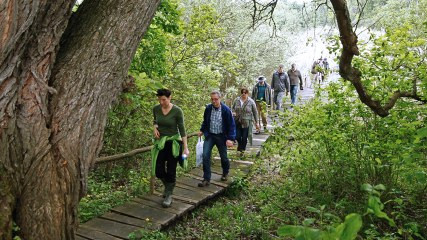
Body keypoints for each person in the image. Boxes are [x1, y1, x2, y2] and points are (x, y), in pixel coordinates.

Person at [151, 89, 189, 208]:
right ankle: (168, 187)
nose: (161, 102)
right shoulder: (156, 109)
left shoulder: (177, 111)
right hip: (161, 142)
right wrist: (155, 128)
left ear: (170, 98)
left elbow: (182, 130)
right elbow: (155, 121)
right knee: (158, 170)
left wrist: (186, 148)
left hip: (174, 143)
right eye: (160, 99)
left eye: (164, 100)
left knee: (171, 170)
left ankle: (168, 195)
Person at [198, 90, 236, 187]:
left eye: (216, 99)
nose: (214, 101)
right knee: (205, 155)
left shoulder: (226, 110)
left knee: (224, 157)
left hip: (221, 136)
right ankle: (206, 179)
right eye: (212, 99)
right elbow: (205, 121)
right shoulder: (208, 108)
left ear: (220, 99)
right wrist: (202, 130)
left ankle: (225, 172)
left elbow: (231, 125)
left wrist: (230, 138)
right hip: (210, 135)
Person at [232, 87, 259, 154]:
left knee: (244, 137)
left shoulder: (251, 101)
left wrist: (257, 122)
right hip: (237, 121)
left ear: (247, 93)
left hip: (247, 122)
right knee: (237, 136)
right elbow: (232, 108)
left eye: (245, 92)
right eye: (242, 92)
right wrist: (233, 112)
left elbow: (255, 112)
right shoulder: (237, 100)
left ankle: (242, 150)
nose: (243, 94)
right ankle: (240, 145)